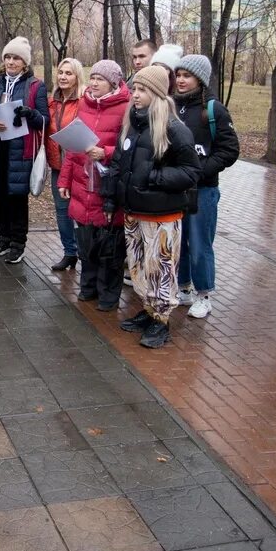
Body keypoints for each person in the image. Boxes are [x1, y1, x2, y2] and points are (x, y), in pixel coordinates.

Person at [112, 66, 201, 348]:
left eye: (142, 90)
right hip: (134, 211)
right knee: (139, 267)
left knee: (161, 268)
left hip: (162, 214)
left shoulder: (174, 129)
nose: (135, 95)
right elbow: (120, 162)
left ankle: (161, 320)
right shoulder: (132, 124)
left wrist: (153, 177)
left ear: (157, 93)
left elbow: (190, 172)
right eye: (134, 89)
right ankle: (149, 310)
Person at [58, 60, 131, 311]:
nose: (94, 83)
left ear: (113, 82)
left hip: (108, 186)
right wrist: (64, 179)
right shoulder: (84, 104)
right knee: (86, 241)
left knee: (109, 245)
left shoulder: (126, 107)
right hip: (81, 183)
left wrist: (106, 152)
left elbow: (129, 149)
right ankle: (88, 288)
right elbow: (73, 147)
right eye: (93, 78)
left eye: (100, 79)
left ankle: (108, 294)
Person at [173, 55, 240, 320]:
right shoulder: (171, 106)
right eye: (178, 74)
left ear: (199, 79)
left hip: (203, 190)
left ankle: (204, 295)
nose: (180, 80)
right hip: (176, 188)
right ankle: (183, 288)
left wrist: (202, 171)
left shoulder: (213, 110)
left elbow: (230, 150)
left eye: (186, 76)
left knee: (200, 244)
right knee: (179, 242)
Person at [0, 37, 47, 264]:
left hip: (20, 150)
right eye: (7, 57)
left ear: (25, 62)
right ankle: (4, 238)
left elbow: (44, 121)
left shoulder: (35, 86)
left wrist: (30, 114)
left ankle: (18, 243)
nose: (10, 61)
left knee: (17, 199)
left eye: (16, 57)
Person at [45, 57, 86, 270]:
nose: (63, 77)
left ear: (77, 76)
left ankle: (86, 253)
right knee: (62, 211)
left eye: (69, 73)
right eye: (61, 72)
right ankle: (69, 252)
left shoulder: (84, 101)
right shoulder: (51, 102)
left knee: (81, 212)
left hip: (80, 166)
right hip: (57, 166)